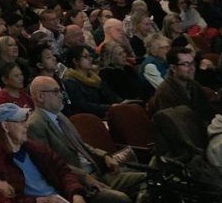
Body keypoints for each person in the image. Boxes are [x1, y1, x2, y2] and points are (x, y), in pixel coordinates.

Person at [27, 75, 144, 203]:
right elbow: (51, 164)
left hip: (98, 172)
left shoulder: (60, 116)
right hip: (79, 183)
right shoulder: (35, 125)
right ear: (40, 96)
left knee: (148, 180)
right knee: (121, 199)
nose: (61, 95)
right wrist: (84, 178)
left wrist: (104, 156)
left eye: (60, 91)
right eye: (56, 91)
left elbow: (81, 145)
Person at [0, 102, 88, 203]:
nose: (27, 125)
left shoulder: (34, 147)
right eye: (21, 121)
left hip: (62, 197)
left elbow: (64, 171)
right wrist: (39, 200)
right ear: (5, 126)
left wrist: (76, 194)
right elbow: (3, 199)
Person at [147, 47, 213, 118]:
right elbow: (173, 124)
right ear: (173, 68)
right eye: (186, 64)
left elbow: (208, 111)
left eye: (192, 63)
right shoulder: (164, 93)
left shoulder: (194, 84)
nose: (192, 68)